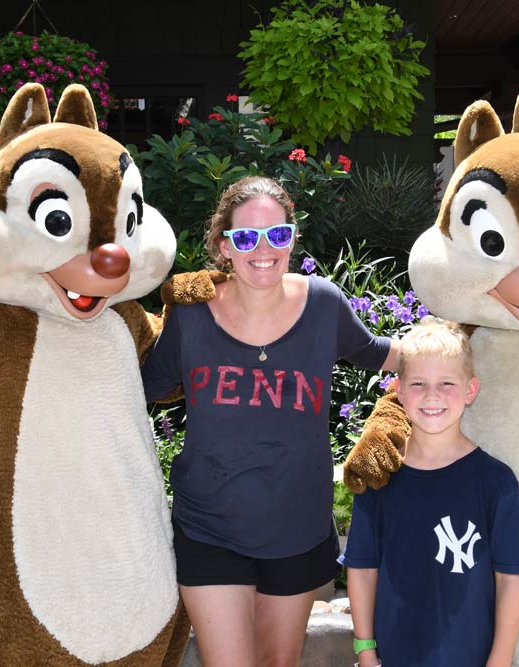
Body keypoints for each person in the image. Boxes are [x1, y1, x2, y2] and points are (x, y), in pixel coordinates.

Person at [142, 176, 398, 666]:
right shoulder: (191, 316)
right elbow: (141, 388)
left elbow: (383, 355)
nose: (263, 249)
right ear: (224, 247)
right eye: (245, 238)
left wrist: (463, 350)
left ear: (292, 236)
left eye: (277, 235)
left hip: (297, 528)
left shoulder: (324, 306)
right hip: (209, 528)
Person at [344, 319, 519, 667]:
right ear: (400, 391)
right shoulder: (379, 479)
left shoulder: (496, 482)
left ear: (470, 390)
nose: (432, 395)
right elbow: (362, 568)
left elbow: (510, 579)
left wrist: (500, 661)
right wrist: (366, 651)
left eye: (447, 383)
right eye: (418, 383)